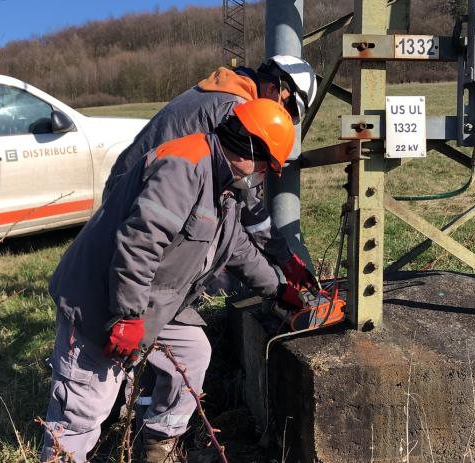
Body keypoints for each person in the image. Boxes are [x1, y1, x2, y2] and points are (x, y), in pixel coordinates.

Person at [41, 99, 307, 463]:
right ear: (250, 149)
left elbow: (236, 248)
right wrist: (129, 315)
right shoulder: (185, 167)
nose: (263, 174)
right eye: (265, 165)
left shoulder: (224, 185)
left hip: (154, 300)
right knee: (84, 412)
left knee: (193, 354)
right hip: (102, 301)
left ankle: (158, 448)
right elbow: (139, 242)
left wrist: (277, 289)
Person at [103, 55, 319, 292]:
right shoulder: (237, 111)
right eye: (289, 109)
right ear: (273, 87)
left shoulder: (227, 90)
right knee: (211, 252)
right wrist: (284, 258)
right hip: (141, 204)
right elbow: (246, 206)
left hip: (131, 190)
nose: (286, 118)